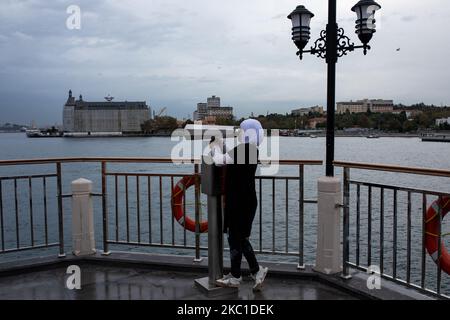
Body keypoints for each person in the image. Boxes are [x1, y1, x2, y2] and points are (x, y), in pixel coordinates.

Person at [209, 119, 268, 291]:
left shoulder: (243, 150)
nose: (239, 133)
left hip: (238, 202)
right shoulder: (251, 150)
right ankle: (256, 272)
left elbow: (220, 161)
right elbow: (231, 159)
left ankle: (236, 277)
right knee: (241, 239)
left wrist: (214, 146)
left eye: (242, 130)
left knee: (235, 238)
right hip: (247, 200)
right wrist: (223, 144)